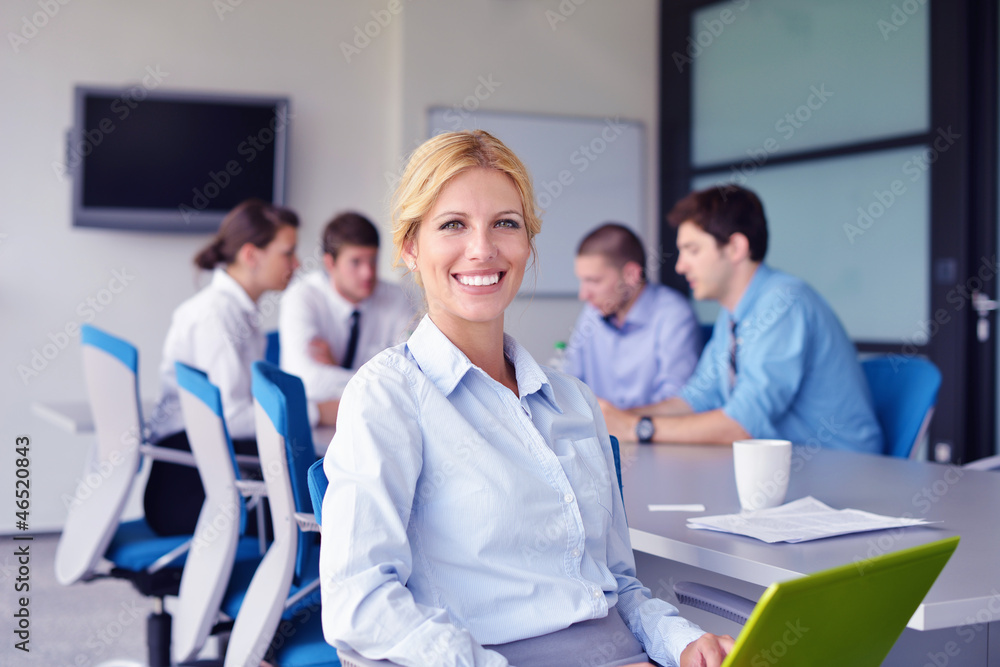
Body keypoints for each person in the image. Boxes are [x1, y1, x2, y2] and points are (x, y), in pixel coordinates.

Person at [319, 130, 733, 667]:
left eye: (505, 224)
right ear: (410, 248)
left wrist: (680, 642)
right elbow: (361, 604)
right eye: (452, 225)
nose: (483, 249)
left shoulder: (575, 403)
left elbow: (618, 586)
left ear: (529, 244)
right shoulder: (389, 396)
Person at [598, 185, 883, 453]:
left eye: (692, 250)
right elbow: (697, 399)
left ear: (735, 248)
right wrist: (616, 418)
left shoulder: (783, 303)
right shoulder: (734, 314)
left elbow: (743, 424)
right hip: (784, 469)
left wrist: (638, 428)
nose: (680, 266)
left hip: (841, 469)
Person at [144, 198, 301, 536]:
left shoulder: (235, 312)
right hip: (189, 489)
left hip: (208, 472)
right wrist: (311, 413)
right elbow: (231, 417)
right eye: (287, 253)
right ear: (251, 256)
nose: (297, 263)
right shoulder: (217, 316)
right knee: (318, 517)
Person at [278, 211, 415, 425]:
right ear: (330, 264)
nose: (368, 273)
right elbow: (303, 380)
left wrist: (335, 370)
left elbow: (411, 379)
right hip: (316, 430)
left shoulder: (398, 298)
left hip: (376, 424)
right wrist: (378, 381)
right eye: (356, 262)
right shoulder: (302, 296)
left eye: (373, 260)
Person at [567, 223, 701, 409]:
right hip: (599, 435)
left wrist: (621, 422)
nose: (583, 294)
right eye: (582, 280)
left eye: (594, 281)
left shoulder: (674, 314)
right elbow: (567, 384)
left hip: (653, 436)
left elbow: (677, 403)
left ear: (631, 275)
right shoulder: (592, 312)